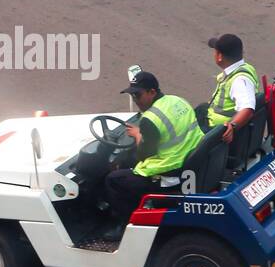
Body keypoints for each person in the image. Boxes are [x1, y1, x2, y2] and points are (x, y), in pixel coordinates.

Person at [102, 70, 204, 240]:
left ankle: (125, 227)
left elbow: (143, 154)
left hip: (167, 177)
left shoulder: (151, 119)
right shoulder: (177, 100)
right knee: (126, 167)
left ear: (152, 92)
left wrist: (137, 135)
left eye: (138, 95)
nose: (135, 100)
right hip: (188, 162)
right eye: (132, 95)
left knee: (113, 180)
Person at [202, 33, 259, 144]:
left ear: (219, 56)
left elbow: (247, 107)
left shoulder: (239, 80)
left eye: (215, 51)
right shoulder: (244, 68)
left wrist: (231, 127)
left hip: (216, 131)